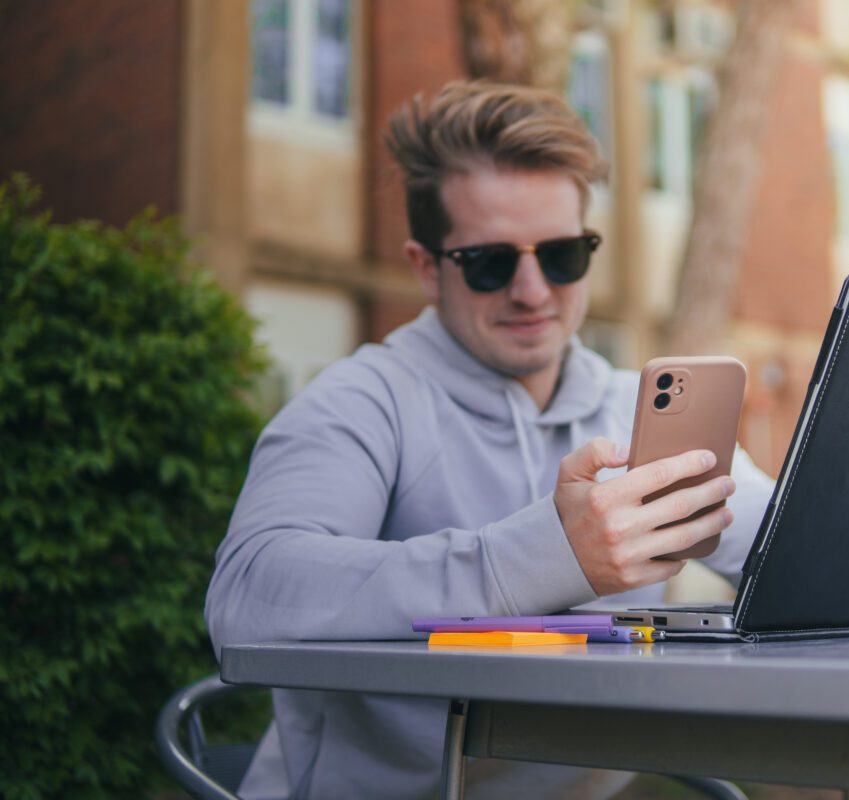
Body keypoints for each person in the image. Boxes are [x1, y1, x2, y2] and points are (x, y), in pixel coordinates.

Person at [205, 80, 774, 799]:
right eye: (490, 262)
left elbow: (792, 556)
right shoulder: (363, 399)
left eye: (563, 254)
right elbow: (248, 598)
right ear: (425, 267)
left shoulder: (637, 407)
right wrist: (542, 556)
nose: (533, 291)